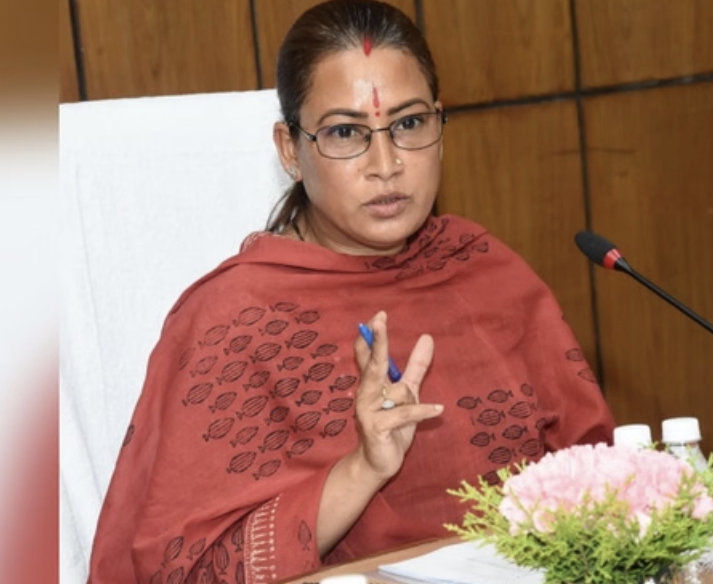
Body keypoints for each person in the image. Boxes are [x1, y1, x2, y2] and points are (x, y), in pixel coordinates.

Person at [87, 1, 615, 582]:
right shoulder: (234, 321)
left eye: (408, 124)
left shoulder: (488, 273)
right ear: (290, 150)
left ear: (439, 127)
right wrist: (364, 468)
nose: (386, 165)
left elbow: (599, 479)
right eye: (345, 133)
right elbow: (183, 571)